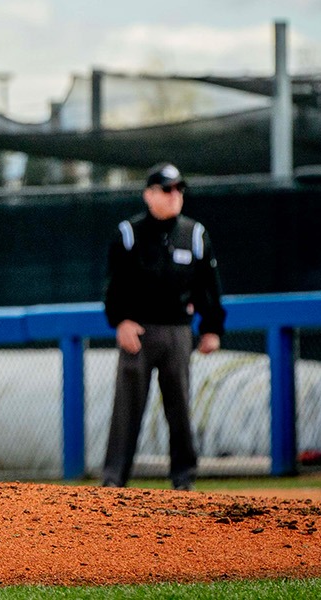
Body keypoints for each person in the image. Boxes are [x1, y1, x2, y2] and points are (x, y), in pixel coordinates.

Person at [101, 163, 224, 491]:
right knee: (126, 410)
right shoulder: (129, 233)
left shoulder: (194, 235)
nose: (175, 196)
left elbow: (208, 286)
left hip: (177, 333)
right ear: (149, 194)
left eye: (179, 190)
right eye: (167, 189)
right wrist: (121, 322)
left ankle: (184, 480)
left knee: (180, 408)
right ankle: (114, 480)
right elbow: (114, 286)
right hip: (138, 333)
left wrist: (211, 328)